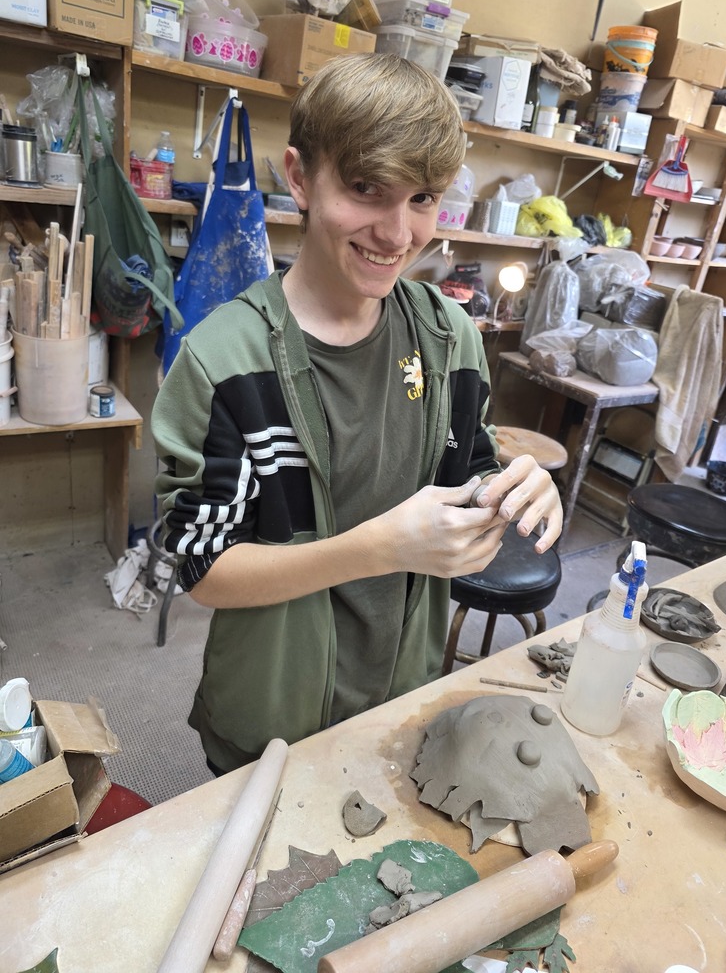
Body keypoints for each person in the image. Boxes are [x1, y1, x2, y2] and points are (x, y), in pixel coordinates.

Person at [152, 52, 563, 775]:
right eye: (366, 188)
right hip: (272, 715)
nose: (397, 234)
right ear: (300, 176)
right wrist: (381, 548)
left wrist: (511, 490)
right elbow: (203, 566)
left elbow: (468, 470)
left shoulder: (449, 339)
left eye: (423, 198)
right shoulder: (225, 361)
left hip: (402, 690)